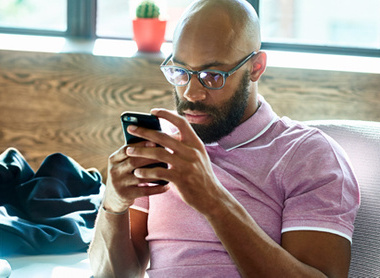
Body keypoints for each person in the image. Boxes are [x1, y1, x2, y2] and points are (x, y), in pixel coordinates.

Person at [88, 0, 360, 277]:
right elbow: (112, 274)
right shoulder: (162, 148)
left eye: (212, 76)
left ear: (255, 67)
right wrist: (113, 206)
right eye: (181, 72)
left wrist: (214, 201)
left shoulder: (309, 155)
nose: (192, 94)